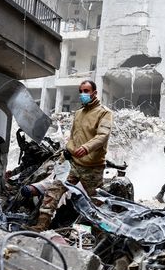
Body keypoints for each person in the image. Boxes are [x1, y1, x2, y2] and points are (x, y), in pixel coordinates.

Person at [27, 80, 113, 231]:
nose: (83, 94)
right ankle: (41, 226)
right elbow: (72, 137)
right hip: (73, 163)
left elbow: (103, 136)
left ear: (94, 93)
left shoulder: (104, 113)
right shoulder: (79, 113)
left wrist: (86, 148)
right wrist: (69, 151)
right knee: (53, 191)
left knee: (97, 203)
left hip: (93, 167)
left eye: (86, 91)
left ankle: (102, 232)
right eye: (81, 91)